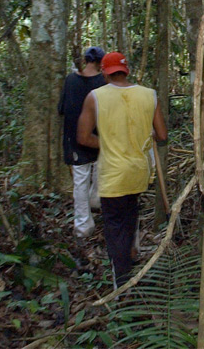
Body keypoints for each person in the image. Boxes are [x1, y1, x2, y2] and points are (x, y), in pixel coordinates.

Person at [77, 51, 167, 287]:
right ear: (126, 71)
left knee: (115, 226)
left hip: (113, 174)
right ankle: (130, 262)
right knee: (129, 216)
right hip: (138, 172)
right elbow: (162, 135)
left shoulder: (95, 97)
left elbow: (83, 137)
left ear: (105, 73)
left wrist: (108, 143)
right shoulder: (149, 95)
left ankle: (122, 281)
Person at [58, 46, 107, 239]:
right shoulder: (103, 81)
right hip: (98, 137)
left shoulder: (71, 80)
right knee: (99, 171)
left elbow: (61, 108)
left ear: (85, 60)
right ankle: (95, 202)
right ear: (101, 63)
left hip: (75, 138)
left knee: (80, 181)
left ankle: (83, 226)